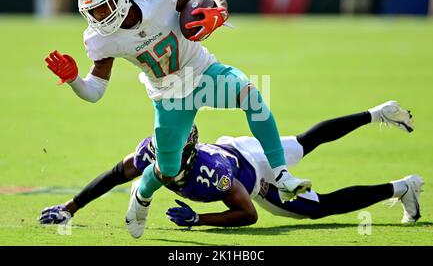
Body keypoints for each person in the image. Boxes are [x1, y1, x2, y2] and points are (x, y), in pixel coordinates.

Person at [43, 0, 312, 238]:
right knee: (168, 169)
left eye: (103, 7)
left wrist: (219, 11)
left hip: (203, 72)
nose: (99, 16)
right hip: (169, 95)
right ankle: (142, 193)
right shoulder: (101, 39)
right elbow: (95, 92)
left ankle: (281, 175)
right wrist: (75, 79)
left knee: (251, 97)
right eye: (92, 11)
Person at [39, 100, 423, 231]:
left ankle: (402, 187)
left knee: (318, 209)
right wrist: (70, 208)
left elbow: (248, 212)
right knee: (307, 141)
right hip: (239, 146)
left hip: (251, 174)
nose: (161, 159)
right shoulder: (149, 152)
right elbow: (112, 175)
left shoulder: (211, 175)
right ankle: (376, 113)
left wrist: (199, 222)